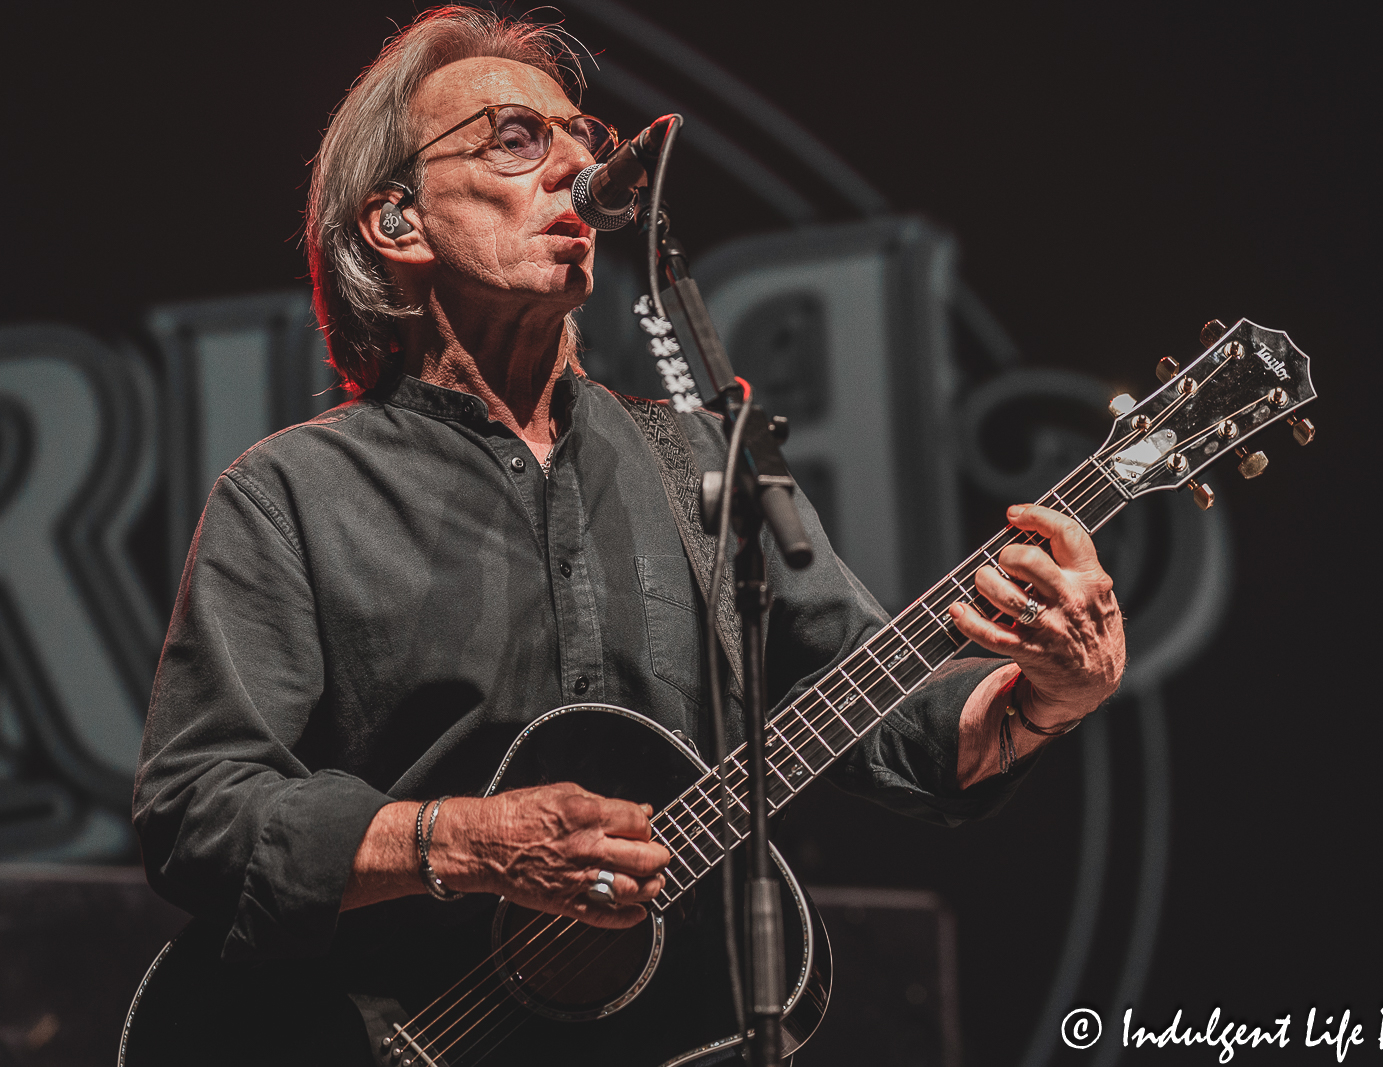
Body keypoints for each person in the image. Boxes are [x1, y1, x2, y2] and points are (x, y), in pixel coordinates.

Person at [132, 0, 1124, 1045]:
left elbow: (892, 721)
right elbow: (197, 807)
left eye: (583, 139)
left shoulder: (702, 461)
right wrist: (466, 839)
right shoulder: (290, 492)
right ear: (398, 223)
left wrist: (1042, 698)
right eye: (518, 139)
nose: (572, 168)